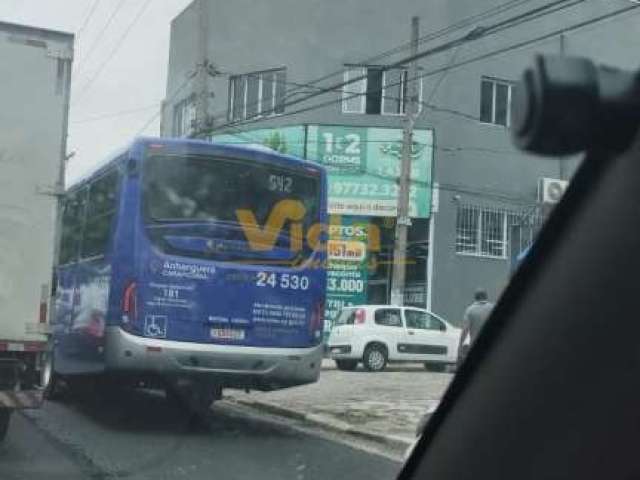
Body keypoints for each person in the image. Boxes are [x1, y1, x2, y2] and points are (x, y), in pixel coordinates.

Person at [458, 289, 495, 365]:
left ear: (475, 298)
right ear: (486, 297)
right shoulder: (492, 307)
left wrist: (460, 343)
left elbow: (465, 329)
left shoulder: (470, 310)